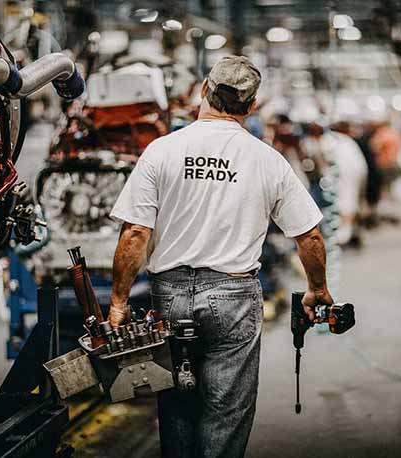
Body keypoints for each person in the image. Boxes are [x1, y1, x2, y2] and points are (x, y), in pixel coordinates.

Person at [108, 55, 333, 458]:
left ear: (203, 91)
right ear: (250, 107)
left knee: (175, 403)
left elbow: (136, 233)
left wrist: (120, 301)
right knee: (225, 412)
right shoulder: (267, 160)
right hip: (233, 295)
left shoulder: (162, 151)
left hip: (170, 295)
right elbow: (310, 235)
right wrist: (318, 289)